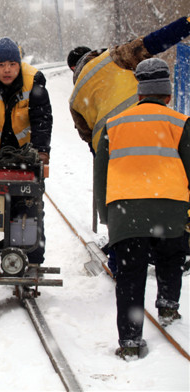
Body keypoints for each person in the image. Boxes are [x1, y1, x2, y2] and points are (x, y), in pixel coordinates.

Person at [93, 58, 190, 360]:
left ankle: (131, 342)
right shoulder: (181, 124)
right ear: (168, 95)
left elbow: (101, 176)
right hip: (171, 210)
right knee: (170, 260)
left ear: (138, 94)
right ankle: (168, 307)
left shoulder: (114, 125)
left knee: (130, 277)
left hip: (126, 211)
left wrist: (107, 216)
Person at [0, 37, 52, 264]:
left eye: (12, 65)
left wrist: (42, 151)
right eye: (1, 65)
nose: (7, 70)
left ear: (19, 64)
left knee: (28, 204)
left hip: (26, 153)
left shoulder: (34, 79)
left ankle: (31, 255)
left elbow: (42, 118)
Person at [69, 16, 190, 155]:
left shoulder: (74, 99)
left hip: (113, 151)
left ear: (73, 68)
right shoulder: (115, 58)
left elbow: (89, 140)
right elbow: (154, 41)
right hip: (149, 133)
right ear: (94, 53)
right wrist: (186, 24)